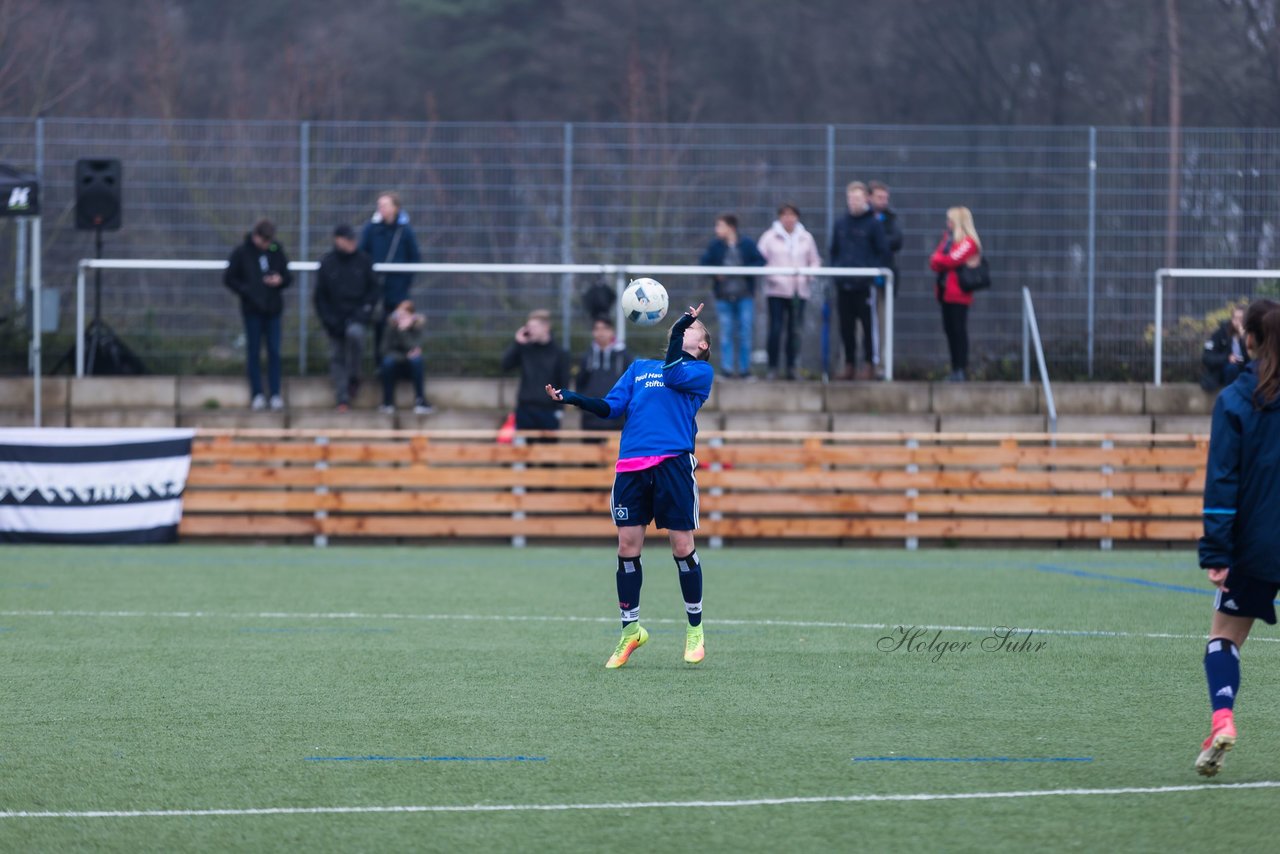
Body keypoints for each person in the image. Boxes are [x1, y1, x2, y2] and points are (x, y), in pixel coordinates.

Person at [545, 304, 713, 668]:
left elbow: (672, 374)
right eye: (683, 328)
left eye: (692, 329)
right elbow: (609, 408)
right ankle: (630, 631)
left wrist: (678, 327)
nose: (685, 331)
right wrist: (571, 397)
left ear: (702, 345)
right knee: (626, 546)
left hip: (672, 464)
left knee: (682, 546)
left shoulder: (700, 372)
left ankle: (695, 629)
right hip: (631, 466)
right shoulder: (639, 368)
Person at [1195, 299, 1280, 777]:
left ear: (1247, 340)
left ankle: (1223, 719)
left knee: (1223, 639)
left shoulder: (1234, 400)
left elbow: (1222, 483)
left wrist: (1216, 551)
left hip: (1254, 547)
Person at [223, 219, 292, 410]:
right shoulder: (242, 252)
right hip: (252, 310)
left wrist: (279, 280)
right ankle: (257, 394)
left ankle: (275, 394)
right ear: (256, 237)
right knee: (253, 352)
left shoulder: (276, 250)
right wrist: (248, 290)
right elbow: (229, 278)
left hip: (273, 310)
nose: (267, 245)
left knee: (274, 352)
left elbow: (288, 276)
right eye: (264, 241)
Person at [315, 224, 379, 411]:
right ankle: (342, 398)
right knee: (337, 356)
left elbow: (373, 291)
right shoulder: (327, 263)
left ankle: (354, 376)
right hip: (335, 320)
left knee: (355, 336)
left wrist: (362, 314)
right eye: (349, 239)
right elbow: (320, 297)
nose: (353, 243)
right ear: (338, 240)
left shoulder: (363, 261)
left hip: (357, 317)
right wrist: (329, 321)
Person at [829, 182, 889, 380]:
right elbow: (834, 251)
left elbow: (883, 252)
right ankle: (849, 365)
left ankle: (870, 364)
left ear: (866, 200)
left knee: (869, 328)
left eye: (857, 198)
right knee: (846, 327)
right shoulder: (840, 224)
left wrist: (869, 272)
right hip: (844, 285)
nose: (853, 202)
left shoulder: (873, 224)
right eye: (850, 198)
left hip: (864, 286)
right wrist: (837, 273)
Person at [756, 203, 820, 380]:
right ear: (779, 217)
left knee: (795, 330)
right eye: (785, 215)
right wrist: (776, 277)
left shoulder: (806, 238)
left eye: (792, 214)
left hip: (799, 292)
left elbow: (814, 260)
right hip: (776, 291)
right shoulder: (769, 237)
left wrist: (807, 276)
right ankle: (773, 367)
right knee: (775, 329)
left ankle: (792, 367)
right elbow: (760, 260)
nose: (788, 218)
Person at [358, 191, 422, 360]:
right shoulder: (371, 229)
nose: (381, 208)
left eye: (385, 205)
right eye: (379, 205)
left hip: (398, 291)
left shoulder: (405, 231)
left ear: (396, 208)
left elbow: (414, 257)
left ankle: (399, 366)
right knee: (379, 327)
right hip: (376, 289)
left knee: (399, 327)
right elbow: (363, 255)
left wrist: (404, 283)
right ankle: (381, 365)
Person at [699, 213, 764, 379]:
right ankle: (727, 370)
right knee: (726, 334)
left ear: (731, 227)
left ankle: (745, 371)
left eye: (720, 226)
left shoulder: (747, 244)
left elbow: (760, 261)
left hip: (745, 297)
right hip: (724, 297)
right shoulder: (715, 246)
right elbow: (704, 263)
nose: (717, 230)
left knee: (745, 333)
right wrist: (716, 274)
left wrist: (745, 271)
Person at [929, 206, 983, 382]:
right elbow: (935, 260)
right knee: (949, 330)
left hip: (959, 294)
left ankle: (961, 368)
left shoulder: (968, 242)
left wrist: (942, 261)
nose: (947, 224)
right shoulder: (948, 239)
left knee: (959, 330)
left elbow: (952, 260)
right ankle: (954, 369)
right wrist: (942, 261)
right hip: (944, 293)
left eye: (950, 220)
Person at [501, 309, 571, 431]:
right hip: (525, 409)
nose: (529, 330)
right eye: (528, 327)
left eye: (534, 327)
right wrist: (517, 343)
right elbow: (505, 365)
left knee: (548, 449)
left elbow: (564, 381)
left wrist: (560, 410)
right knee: (522, 450)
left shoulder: (559, 353)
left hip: (548, 411)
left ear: (546, 327)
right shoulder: (525, 349)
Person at [869, 181, 904, 379]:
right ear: (870, 197)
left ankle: (882, 366)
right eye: (879, 197)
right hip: (861, 283)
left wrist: (878, 242)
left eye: (885, 198)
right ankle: (863, 365)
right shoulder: (861, 219)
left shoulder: (890, 220)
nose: (883, 201)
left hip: (883, 281)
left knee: (883, 324)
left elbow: (897, 240)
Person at [576, 317, 633, 431]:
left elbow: (631, 384)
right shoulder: (587, 356)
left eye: (605, 329)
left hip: (617, 418)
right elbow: (580, 382)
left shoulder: (624, 356)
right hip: (591, 418)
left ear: (612, 331)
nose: (600, 333)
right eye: (597, 329)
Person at [378, 300, 432, 415]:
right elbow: (384, 350)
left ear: (412, 316)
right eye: (399, 314)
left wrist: (403, 332)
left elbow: (417, 349)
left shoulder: (418, 328)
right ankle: (388, 402)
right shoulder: (390, 327)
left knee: (417, 360)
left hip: (412, 368)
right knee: (387, 362)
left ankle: (420, 401)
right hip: (395, 366)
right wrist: (405, 356)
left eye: (404, 315)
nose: (401, 317)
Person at [1201, 305, 1248, 392]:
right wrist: (1227, 358)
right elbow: (1206, 357)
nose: (1237, 322)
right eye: (1235, 318)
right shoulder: (1221, 333)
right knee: (1231, 368)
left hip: (1245, 370)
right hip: (1226, 371)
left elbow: (1254, 358)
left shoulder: (1251, 335)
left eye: (1241, 319)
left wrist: (1243, 339)